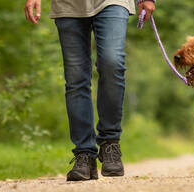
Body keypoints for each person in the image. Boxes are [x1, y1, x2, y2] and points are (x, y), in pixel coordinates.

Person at [24, 0, 155, 181]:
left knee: (112, 63)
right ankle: (84, 154)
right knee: (75, 78)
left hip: (113, 2)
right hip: (68, 5)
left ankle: (110, 142)